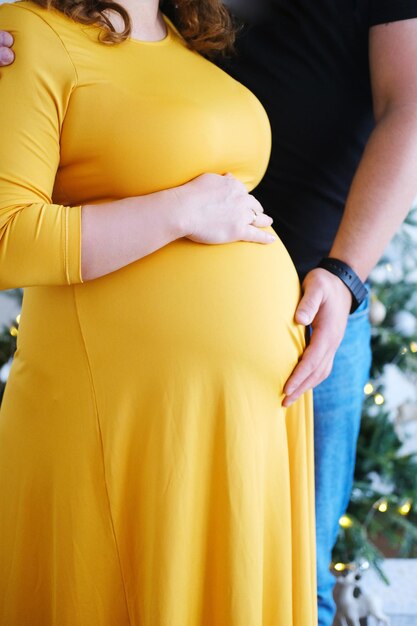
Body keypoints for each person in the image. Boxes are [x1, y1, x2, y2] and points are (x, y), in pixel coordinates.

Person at [0, 1, 317, 625]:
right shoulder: (27, 32)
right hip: (128, 412)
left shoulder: (184, 41)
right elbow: (7, 237)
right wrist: (180, 211)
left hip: (246, 413)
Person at [215, 2, 417, 625]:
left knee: (298, 584)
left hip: (309, 312)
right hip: (164, 299)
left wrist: (346, 274)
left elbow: (410, 109)